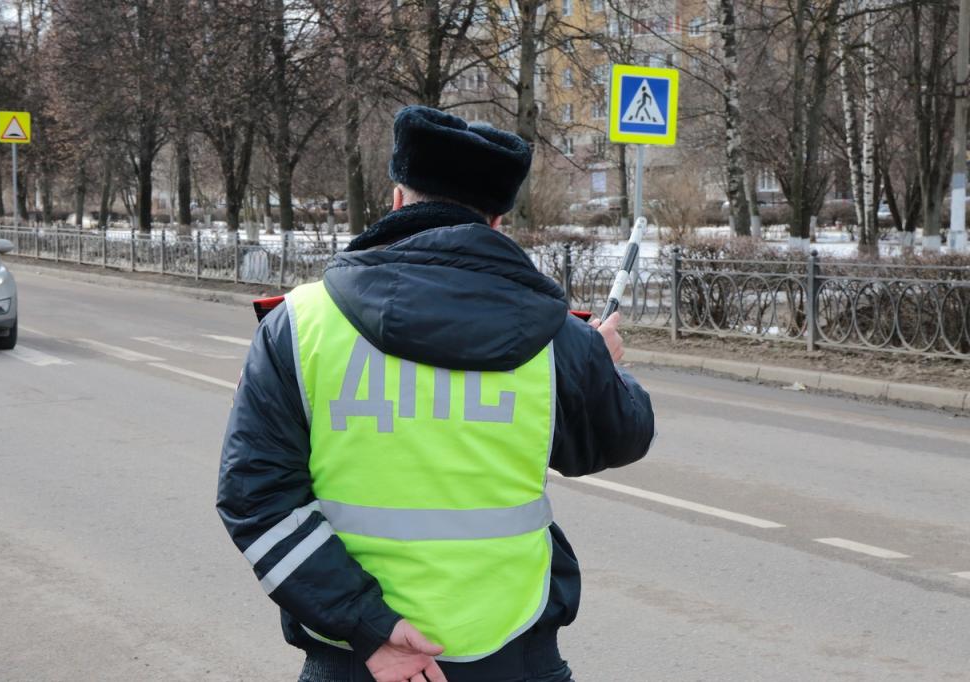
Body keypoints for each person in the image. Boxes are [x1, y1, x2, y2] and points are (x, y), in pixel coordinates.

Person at [217, 106, 655, 682]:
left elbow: (256, 500)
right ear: (497, 222)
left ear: (398, 200)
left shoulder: (300, 324)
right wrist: (606, 366)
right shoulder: (557, 339)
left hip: (356, 658)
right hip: (513, 646)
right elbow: (616, 438)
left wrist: (368, 628)